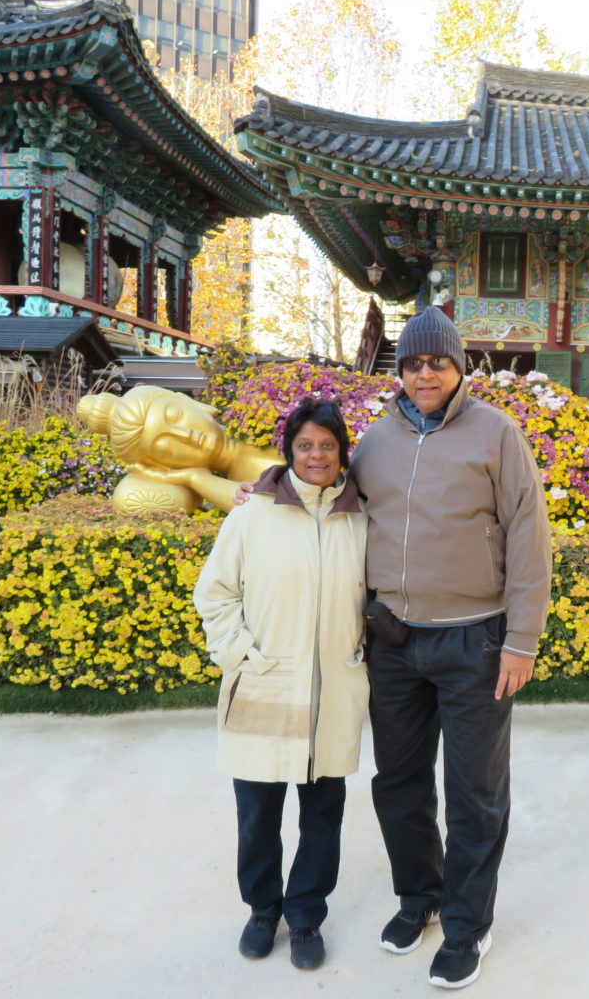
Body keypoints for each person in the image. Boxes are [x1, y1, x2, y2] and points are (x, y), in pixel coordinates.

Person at [236, 306, 552, 989]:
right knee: (399, 786)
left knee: (475, 792)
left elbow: (529, 536)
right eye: (412, 363)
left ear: (459, 366)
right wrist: (262, 490)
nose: (424, 373)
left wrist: (521, 639)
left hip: (477, 639)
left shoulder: (497, 436)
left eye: (436, 361)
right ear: (400, 371)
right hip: (395, 642)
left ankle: (468, 926)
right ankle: (421, 897)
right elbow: (319, 484)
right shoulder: (375, 441)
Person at [193, 397, 369, 972]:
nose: (317, 455)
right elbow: (215, 593)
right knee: (257, 814)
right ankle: (263, 910)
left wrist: (358, 651)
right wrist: (240, 657)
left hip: (334, 693)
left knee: (323, 815)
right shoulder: (252, 513)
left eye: (327, 445)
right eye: (305, 445)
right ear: (288, 450)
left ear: (342, 451)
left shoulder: (361, 515)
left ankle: (307, 915)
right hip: (265, 684)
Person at [77, 386, 281, 513]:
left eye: (176, 416)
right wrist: (194, 478)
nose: (186, 435)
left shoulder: (263, 413)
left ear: (187, 401)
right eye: (166, 447)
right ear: (165, 466)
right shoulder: (236, 482)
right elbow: (268, 514)